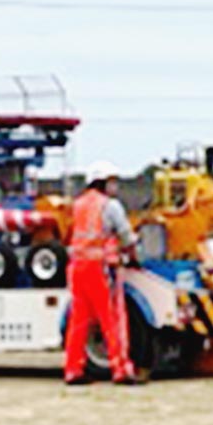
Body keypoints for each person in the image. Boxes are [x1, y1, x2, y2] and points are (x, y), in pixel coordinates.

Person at [62, 161, 144, 386]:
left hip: (77, 267)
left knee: (79, 321)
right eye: (112, 181)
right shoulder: (110, 206)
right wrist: (134, 257)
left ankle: (73, 370)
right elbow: (126, 237)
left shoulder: (77, 205)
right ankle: (121, 369)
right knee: (111, 319)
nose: (115, 186)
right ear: (103, 183)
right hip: (98, 268)